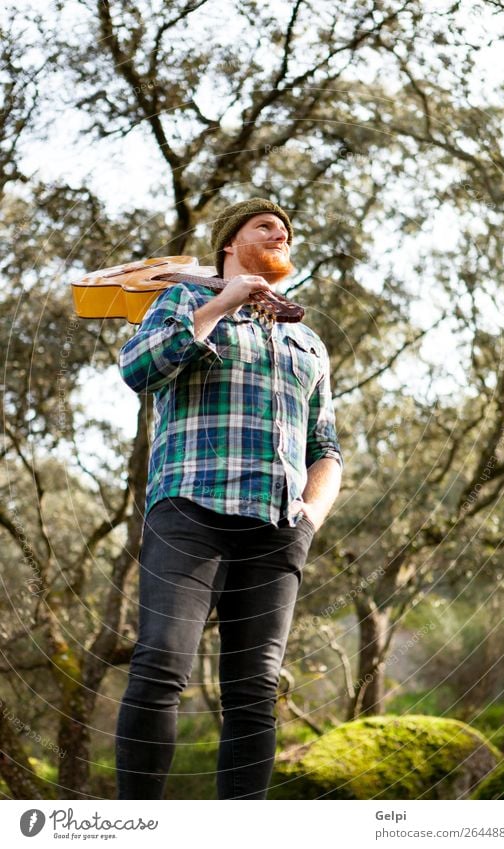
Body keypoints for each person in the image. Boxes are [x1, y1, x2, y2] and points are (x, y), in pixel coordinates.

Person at [115, 197, 342, 799]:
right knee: (162, 663)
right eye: (264, 225)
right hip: (191, 510)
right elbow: (139, 370)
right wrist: (220, 304)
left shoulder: (308, 342)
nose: (281, 233)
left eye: (287, 231)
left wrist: (309, 518)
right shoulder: (184, 301)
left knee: (255, 689)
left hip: (276, 525)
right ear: (228, 244)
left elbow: (327, 447)